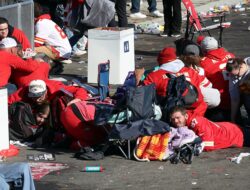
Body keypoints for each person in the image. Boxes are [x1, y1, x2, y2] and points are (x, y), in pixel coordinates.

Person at [143, 47, 207, 116]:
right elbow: (208, 85)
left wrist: (138, 77)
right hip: (195, 113)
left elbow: (142, 93)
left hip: (172, 115)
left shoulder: (154, 76)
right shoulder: (191, 71)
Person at [169, 106, 246, 151]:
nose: (175, 121)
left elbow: (208, 145)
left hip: (236, 134)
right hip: (229, 129)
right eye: (173, 119)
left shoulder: (197, 123)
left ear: (185, 116)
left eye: (178, 118)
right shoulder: (187, 122)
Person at [200, 36, 235, 121]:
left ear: (204, 50)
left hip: (219, 102)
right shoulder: (231, 55)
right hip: (235, 97)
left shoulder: (203, 63)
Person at [181, 44, 221, 108]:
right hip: (199, 100)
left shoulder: (179, 68)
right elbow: (209, 85)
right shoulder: (201, 70)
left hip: (184, 99)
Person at [226, 57, 250, 124]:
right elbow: (235, 99)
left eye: (237, 74)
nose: (235, 77)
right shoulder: (233, 76)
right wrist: (232, 119)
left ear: (242, 66)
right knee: (245, 91)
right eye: (233, 75)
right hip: (247, 91)